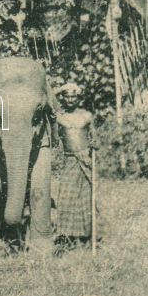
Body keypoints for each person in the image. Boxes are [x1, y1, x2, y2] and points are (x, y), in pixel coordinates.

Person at [54, 82, 99, 250]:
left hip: (85, 160)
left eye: (74, 97)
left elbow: (95, 138)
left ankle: (88, 236)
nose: (71, 100)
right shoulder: (59, 117)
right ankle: (66, 236)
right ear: (63, 98)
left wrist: (94, 144)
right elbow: (54, 137)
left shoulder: (87, 116)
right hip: (69, 160)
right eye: (67, 97)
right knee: (65, 196)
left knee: (86, 197)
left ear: (79, 98)